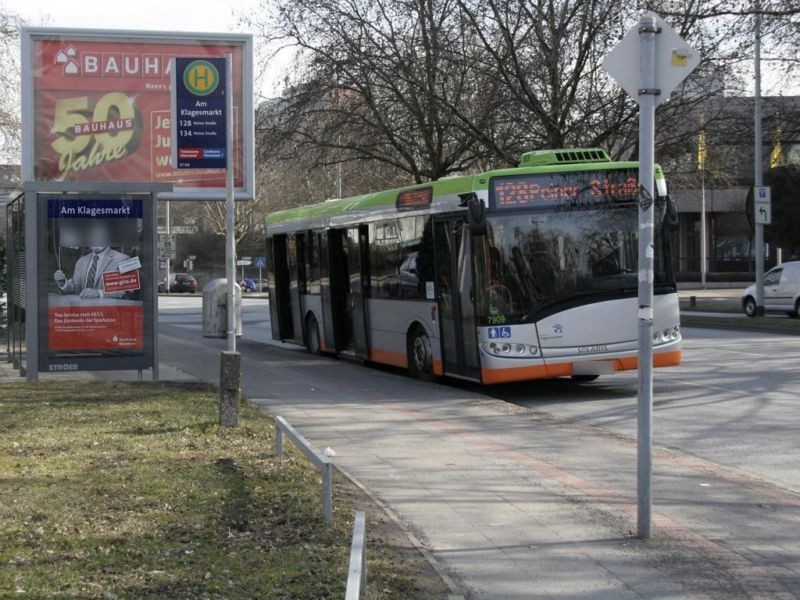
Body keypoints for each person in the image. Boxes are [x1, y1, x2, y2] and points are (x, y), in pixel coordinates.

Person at [54, 245, 130, 299]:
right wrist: (63, 283)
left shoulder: (124, 259)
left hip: (108, 315)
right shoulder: (81, 261)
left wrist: (99, 293)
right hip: (83, 315)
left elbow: (127, 290)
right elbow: (74, 287)